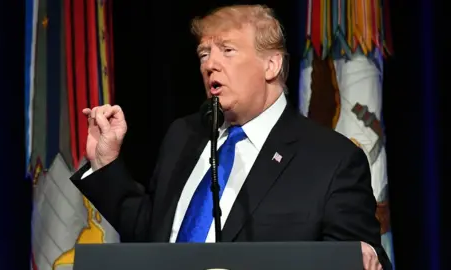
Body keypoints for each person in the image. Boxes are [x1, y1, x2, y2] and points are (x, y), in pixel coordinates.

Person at [70, 4, 391, 270]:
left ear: (271, 64)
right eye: (203, 54)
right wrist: (105, 162)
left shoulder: (330, 159)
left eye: (227, 50)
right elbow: (154, 237)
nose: (210, 64)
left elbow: (362, 259)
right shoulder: (185, 135)